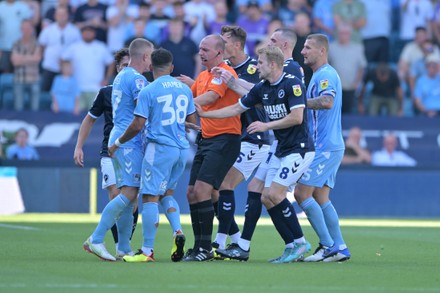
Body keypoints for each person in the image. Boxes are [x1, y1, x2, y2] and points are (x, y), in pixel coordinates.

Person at [199, 45, 315, 263]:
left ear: (272, 64)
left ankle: (300, 242)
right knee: (266, 197)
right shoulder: (264, 87)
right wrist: (205, 114)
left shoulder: (292, 83)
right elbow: (236, 108)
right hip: (280, 148)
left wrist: (265, 125)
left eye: (260, 63)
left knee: (275, 195)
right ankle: (291, 245)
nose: (256, 66)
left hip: (299, 149)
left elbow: (297, 117)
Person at [112, 48, 197, 263]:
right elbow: (191, 122)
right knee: (167, 194)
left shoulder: (149, 90)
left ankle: (147, 250)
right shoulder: (185, 89)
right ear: (172, 67)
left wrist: (119, 142)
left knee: (150, 196)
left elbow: (137, 124)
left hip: (159, 149)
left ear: (150, 67)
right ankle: (177, 230)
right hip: (181, 150)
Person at [83, 38, 154, 262]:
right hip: (128, 141)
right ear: (144, 57)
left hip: (121, 138)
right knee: (128, 194)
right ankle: (95, 239)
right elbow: (142, 116)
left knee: (130, 196)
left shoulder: (121, 76)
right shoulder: (138, 80)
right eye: (150, 56)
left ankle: (123, 247)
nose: (152, 60)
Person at [178, 34, 242, 262]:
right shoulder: (203, 75)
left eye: (205, 49)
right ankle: (199, 247)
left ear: (219, 52)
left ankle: (205, 248)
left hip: (225, 140)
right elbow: (193, 94)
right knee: (192, 193)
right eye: (200, 49)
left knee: (203, 191)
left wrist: (185, 101)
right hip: (206, 139)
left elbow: (210, 97)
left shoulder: (225, 73)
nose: (201, 53)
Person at [210, 25, 271, 253]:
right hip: (232, 136)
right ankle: (234, 241)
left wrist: (232, 83)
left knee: (224, 184)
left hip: (254, 137)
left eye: (223, 42)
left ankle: (220, 242)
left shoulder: (256, 68)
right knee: (215, 188)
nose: (220, 47)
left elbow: (262, 96)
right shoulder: (223, 68)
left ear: (236, 45)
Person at [74, 48, 137, 257]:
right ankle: (100, 240)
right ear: (118, 68)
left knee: (131, 200)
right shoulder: (106, 92)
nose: (127, 69)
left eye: (131, 65)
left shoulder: (142, 90)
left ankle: (122, 247)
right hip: (110, 150)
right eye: (124, 66)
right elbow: (90, 118)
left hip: (134, 150)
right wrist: (79, 146)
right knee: (117, 195)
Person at [294, 33, 351, 262]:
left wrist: (297, 101)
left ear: (321, 51)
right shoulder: (319, 74)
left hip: (325, 146)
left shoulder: (325, 74)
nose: (303, 51)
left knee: (301, 192)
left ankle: (328, 246)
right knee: (320, 196)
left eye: (307, 47)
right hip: (328, 145)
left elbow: (327, 102)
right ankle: (340, 247)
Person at [10, 19, 42, 111]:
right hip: (19, 79)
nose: (26, 30)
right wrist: (31, 57)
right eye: (24, 28)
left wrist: (21, 58)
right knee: (18, 109)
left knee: (35, 110)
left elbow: (37, 59)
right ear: (21, 29)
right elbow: (14, 62)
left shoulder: (37, 43)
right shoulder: (16, 43)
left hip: (34, 79)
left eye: (28, 28)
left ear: (32, 29)